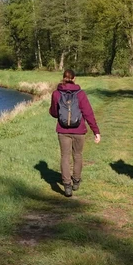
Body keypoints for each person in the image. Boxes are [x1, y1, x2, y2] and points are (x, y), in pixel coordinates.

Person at [48, 69, 100, 197]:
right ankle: (76, 181)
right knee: (78, 155)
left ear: (63, 78)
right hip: (79, 130)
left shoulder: (56, 93)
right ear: (74, 78)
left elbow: (54, 113)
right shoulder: (80, 94)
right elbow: (88, 113)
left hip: (62, 130)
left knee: (64, 156)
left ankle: (67, 186)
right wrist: (96, 131)